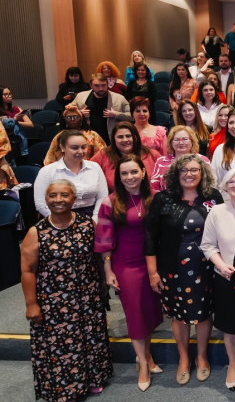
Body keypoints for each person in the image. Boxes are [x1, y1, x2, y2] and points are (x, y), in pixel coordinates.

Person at [21, 180, 113, 401]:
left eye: (64, 195)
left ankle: (92, 379)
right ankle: (66, 388)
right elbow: (27, 270)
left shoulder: (86, 224)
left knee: (90, 338)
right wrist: (31, 304)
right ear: (46, 199)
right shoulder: (37, 232)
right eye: (53, 196)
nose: (58, 200)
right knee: (61, 345)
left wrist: (104, 287)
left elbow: (99, 258)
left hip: (87, 295)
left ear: (74, 199)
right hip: (53, 302)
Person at [145, 154, 223, 385]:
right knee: (180, 315)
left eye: (194, 170)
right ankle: (183, 358)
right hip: (172, 267)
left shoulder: (213, 197)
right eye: (184, 170)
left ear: (202, 173)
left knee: (203, 313)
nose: (189, 174)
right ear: (176, 174)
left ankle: (201, 357)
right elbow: (150, 236)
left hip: (207, 267)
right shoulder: (163, 199)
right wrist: (152, 272)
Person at [95, 156, 163, 391]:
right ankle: (143, 364)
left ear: (143, 173)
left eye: (134, 172)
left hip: (152, 263)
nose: (130, 177)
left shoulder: (155, 197)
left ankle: (148, 356)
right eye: (124, 174)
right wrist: (107, 269)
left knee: (150, 312)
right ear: (118, 177)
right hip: (126, 263)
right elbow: (104, 238)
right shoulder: (110, 202)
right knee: (134, 312)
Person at [200, 168, 235, 391]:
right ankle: (232, 365)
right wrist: (220, 265)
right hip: (227, 275)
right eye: (230, 181)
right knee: (231, 325)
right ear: (225, 186)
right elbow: (207, 245)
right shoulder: (217, 212)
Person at [34, 130, 108, 223]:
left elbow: (102, 197)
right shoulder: (47, 171)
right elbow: (40, 204)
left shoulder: (95, 167)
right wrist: (60, 221)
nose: (80, 151)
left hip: (92, 215)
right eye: (75, 148)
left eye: (84, 147)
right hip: (58, 217)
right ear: (62, 147)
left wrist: (95, 219)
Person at [90, 122, 160, 192]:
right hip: (114, 200)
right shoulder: (103, 155)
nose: (125, 140)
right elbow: (87, 172)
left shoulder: (152, 154)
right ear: (114, 139)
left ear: (136, 137)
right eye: (120, 137)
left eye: (129, 136)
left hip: (150, 200)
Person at [72, 74, 132, 144]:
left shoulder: (119, 98)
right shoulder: (81, 96)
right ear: (91, 86)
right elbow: (66, 113)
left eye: (103, 85)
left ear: (107, 85)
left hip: (111, 138)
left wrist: (116, 114)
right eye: (97, 86)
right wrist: (79, 113)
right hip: (88, 138)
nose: (101, 88)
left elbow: (132, 116)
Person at [149, 125, 211, 192]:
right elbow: (153, 188)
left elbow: (209, 185)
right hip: (166, 201)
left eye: (185, 139)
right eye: (176, 139)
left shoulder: (203, 160)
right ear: (170, 142)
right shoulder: (161, 161)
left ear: (192, 141)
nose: (181, 143)